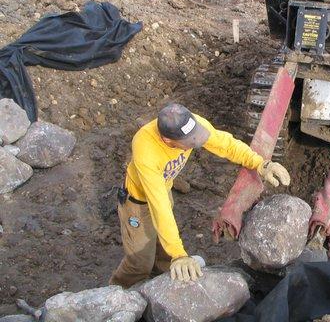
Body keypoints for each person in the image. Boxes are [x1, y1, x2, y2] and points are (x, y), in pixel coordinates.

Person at [109, 103, 290, 288]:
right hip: (139, 204)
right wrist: (179, 254)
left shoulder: (188, 122)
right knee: (140, 263)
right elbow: (159, 207)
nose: (195, 143)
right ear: (168, 140)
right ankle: (116, 295)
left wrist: (261, 164)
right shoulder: (146, 150)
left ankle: (159, 283)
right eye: (189, 142)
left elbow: (225, 144)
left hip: (164, 188)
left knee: (164, 253)